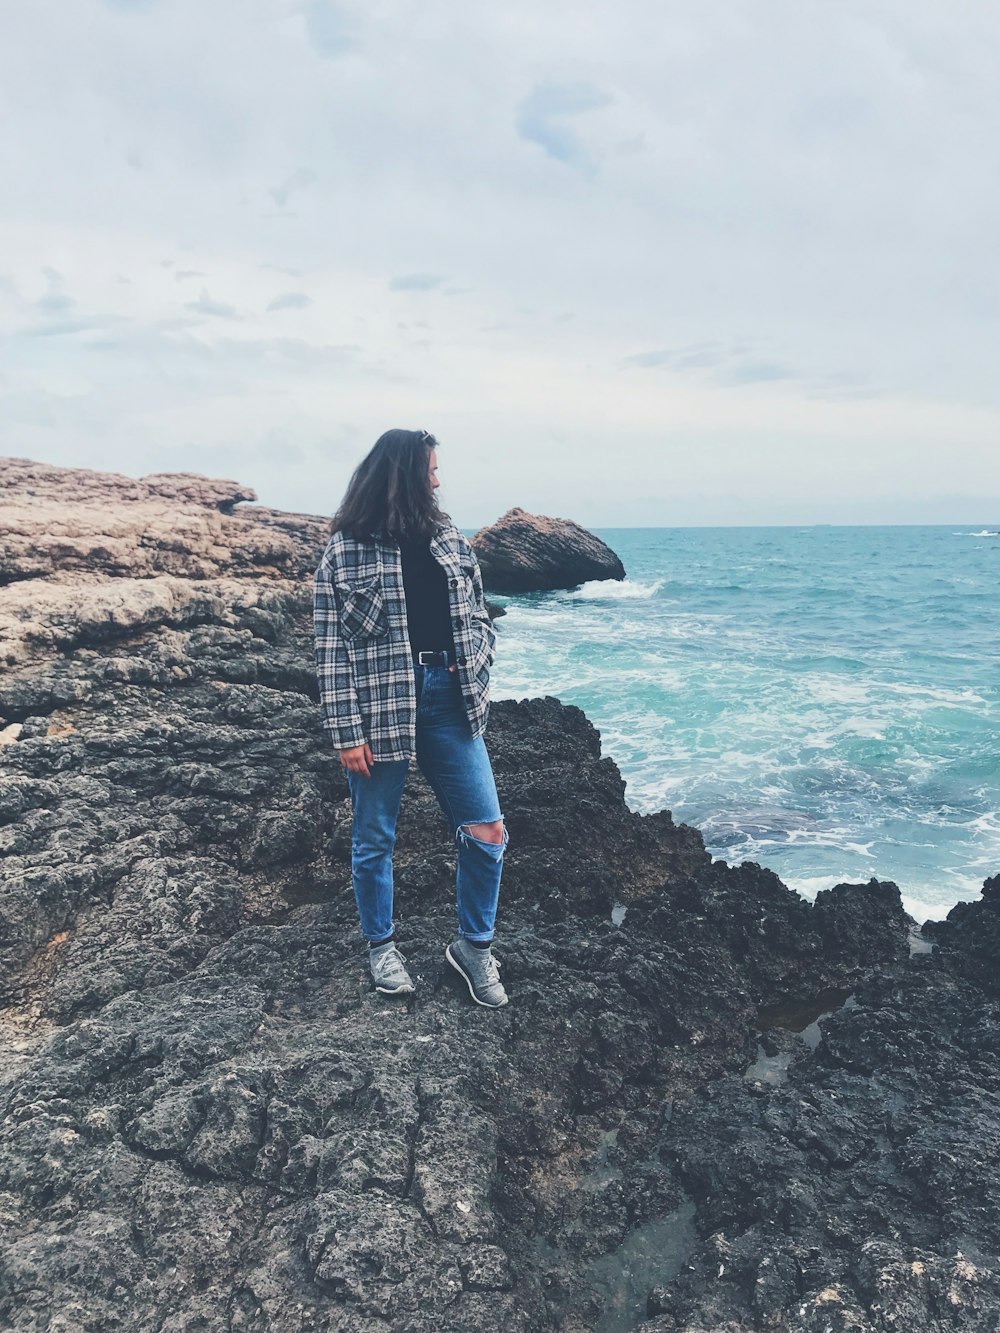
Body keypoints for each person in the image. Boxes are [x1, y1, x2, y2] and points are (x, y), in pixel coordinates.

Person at [313, 428, 509, 1007]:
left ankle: (473, 948)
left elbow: (478, 612)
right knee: (375, 837)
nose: (438, 479)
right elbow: (330, 650)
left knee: (487, 829)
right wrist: (346, 733)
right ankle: (381, 947)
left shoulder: (448, 539)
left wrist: (479, 667)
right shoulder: (345, 550)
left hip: (450, 699)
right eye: (430, 469)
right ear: (402, 474)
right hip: (378, 713)